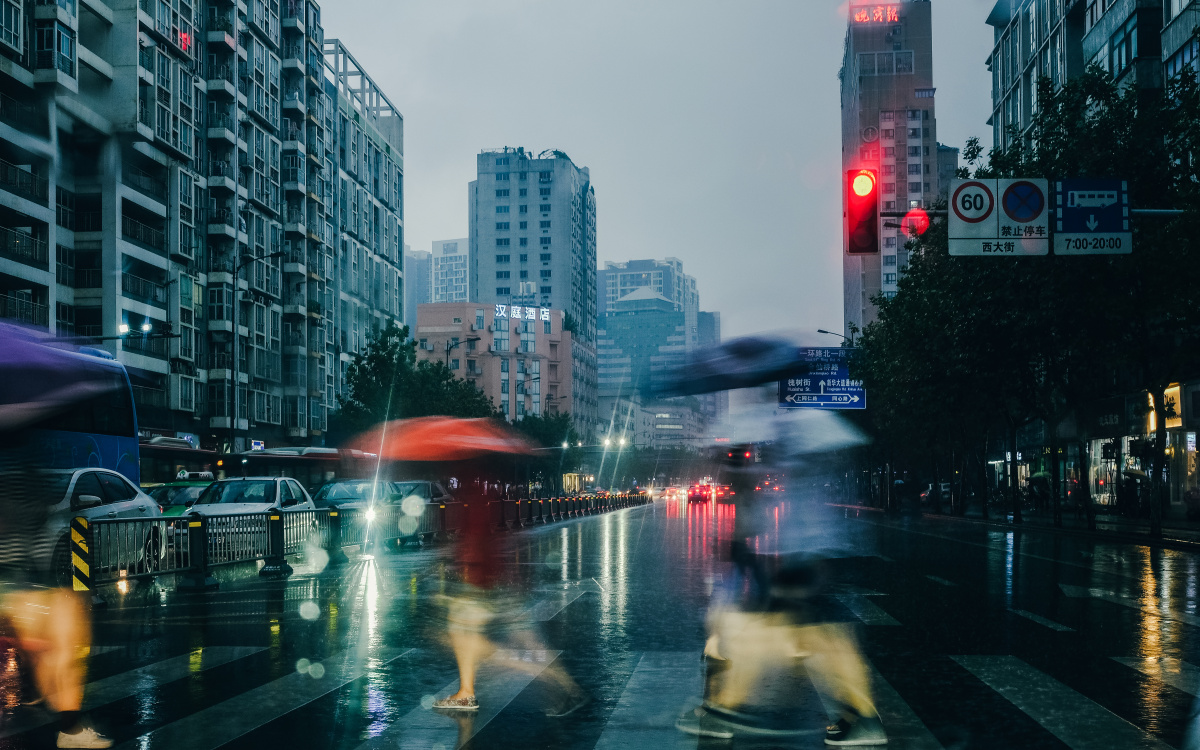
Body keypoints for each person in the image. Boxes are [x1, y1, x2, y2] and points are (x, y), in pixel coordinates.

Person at [433, 478, 586, 716]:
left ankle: (466, 694)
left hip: (483, 582)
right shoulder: (482, 490)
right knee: (527, 642)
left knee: (467, 636)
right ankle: (569, 688)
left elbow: (477, 540)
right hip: (500, 579)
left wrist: (462, 563)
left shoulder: (473, 490)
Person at [0, 434, 110, 748]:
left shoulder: (22, 471)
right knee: (65, 646)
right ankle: (67, 725)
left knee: (58, 647)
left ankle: (56, 708)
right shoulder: (21, 478)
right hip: (18, 584)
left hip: (26, 582)